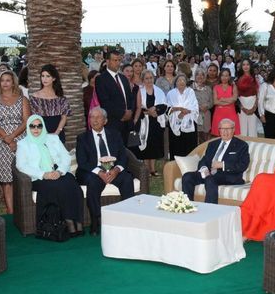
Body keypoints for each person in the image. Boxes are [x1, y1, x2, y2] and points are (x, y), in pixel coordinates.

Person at [16, 114, 84, 235]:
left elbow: (66, 157)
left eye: (39, 126)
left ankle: (78, 221)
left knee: (73, 185)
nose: (36, 129)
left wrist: (60, 171)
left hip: (58, 171)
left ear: (43, 126)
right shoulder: (23, 144)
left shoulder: (53, 139)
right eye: (32, 126)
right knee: (58, 187)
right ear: (28, 127)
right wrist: (43, 174)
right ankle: (68, 222)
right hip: (39, 177)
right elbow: (21, 165)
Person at [75, 107, 135, 235]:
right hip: (93, 171)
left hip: (113, 169)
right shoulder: (82, 138)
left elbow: (123, 156)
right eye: (92, 117)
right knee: (93, 182)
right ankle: (95, 220)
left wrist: (117, 170)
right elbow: (82, 161)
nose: (94, 120)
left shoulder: (115, 135)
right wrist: (100, 172)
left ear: (105, 121)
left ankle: (127, 217)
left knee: (127, 179)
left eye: (98, 117)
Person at [0, 71, 30, 214]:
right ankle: (11, 212)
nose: (5, 83)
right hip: (2, 143)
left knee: (23, 176)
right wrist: (7, 138)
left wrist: (12, 136)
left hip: (22, 141)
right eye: (2, 80)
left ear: (13, 83)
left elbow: (26, 121)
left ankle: (24, 211)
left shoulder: (23, 100)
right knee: (6, 180)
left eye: (8, 80)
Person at [181, 118, 249, 204]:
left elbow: (243, 165)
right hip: (209, 174)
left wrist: (223, 165)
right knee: (187, 176)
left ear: (233, 130)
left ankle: (210, 209)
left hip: (228, 176)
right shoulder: (213, 144)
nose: (225, 131)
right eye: (222, 129)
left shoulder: (241, 145)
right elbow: (204, 160)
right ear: (219, 130)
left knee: (210, 179)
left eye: (228, 129)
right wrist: (204, 169)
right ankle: (187, 205)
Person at [132, 69, 167, 177]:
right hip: (144, 122)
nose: (149, 80)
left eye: (151, 78)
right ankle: (146, 169)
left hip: (156, 122)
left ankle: (153, 169)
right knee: (145, 145)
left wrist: (156, 110)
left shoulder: (159, 91)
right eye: (146, 78)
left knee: (154, 145)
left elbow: (164, 105)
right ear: (143, 79)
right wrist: (148, 112)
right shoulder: (139, 90)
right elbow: (136, 107)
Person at [95, 51, 135, 139]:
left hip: (127, 124)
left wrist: (130, 112)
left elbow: (130, 98)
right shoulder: (101, 79)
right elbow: (105, 102)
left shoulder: (123, 78)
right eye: (115, 60)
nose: (118, 63)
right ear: (107, 61)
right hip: (113, 124)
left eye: (119, 60)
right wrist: (122, 114)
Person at [29, 65, 70, 143]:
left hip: (58, 135)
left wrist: (56, 133)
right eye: (42, 76)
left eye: (48, 76)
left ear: (54, 78)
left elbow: (64, 118)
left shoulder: (61, 98)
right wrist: (44, 134)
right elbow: (33, 119)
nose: (44, 79)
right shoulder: (34, 98)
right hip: (40, 135)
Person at [165, 74, 199, 158]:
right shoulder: (171, 93)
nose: (181, 82)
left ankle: (189, 165)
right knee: (176, 148)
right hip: (175, 124)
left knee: (189, 149)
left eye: (183, 80)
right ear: (175, 82)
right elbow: (167, 108)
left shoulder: (190, 92)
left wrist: (185, 112)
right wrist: (179, 111)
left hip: (189, 123)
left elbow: (195, 106)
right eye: (179, 80)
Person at [236, 59, 261, 137]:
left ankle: (253, 144)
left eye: (247, 64)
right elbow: (236, 96)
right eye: (243, 65)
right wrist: (243, 108)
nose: (245, 66)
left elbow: (258, 95)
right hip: (242, 104)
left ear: (250, 66)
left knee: (253, 129)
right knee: (242, 129)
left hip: (253, 103)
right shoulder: (237, 79)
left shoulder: (255, 79)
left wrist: (254, 108)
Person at [211, 68, 239, 137]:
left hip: (231, 113)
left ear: (229, 77)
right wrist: (229, 101)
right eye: (222, 75)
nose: (224, 78)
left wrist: (222, 99)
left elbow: (234, 99)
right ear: (220, 76)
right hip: (219, 114)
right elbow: (215, 102)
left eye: (226, 76)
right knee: (219, 136)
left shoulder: (233, 86)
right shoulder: (216, 87)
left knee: (232, 134)